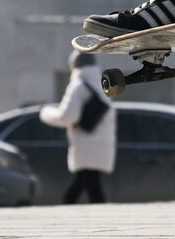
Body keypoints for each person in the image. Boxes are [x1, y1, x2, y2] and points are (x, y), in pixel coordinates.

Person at [39, 52, 118, 203]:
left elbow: (67, 117)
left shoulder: (78, 85)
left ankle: (97, 217)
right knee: (86, 186)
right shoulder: (103, 86)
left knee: (88, 189)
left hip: (85, 145)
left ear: (75, 66)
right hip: (102, 145)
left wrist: (45, 113)